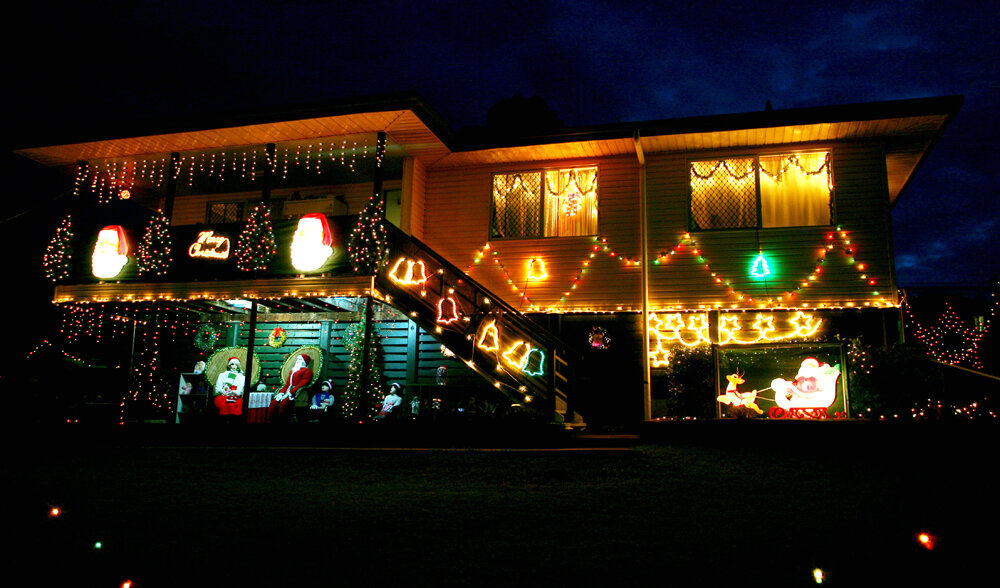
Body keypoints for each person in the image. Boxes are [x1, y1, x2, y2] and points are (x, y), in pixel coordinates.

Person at [269, 354, 313, 423]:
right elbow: (287, 384)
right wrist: (281, 393)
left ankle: (281, 420)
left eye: (300, 359)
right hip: (287, 390)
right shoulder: (293, 371)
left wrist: (290, 392)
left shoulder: (307, 371)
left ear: (304, 362)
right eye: (298, 359)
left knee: (284, 403)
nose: (298, 361)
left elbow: (302, 384)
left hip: (296, 392)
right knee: (274, 402)